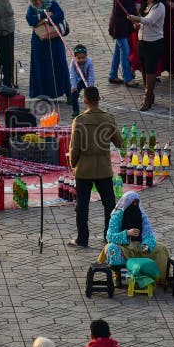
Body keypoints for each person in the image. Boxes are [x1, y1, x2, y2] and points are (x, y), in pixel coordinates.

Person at [67, 86, 122, 247]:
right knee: (110, 204)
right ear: (99, 99)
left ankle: (82, 239)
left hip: (84, 169)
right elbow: (119, 142)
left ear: (85, 101)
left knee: (82, 206)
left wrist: (73, 164)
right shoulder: (109, 118)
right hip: (104, 168)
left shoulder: (80, 120)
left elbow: (74, 148)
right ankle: (109, 236)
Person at [103, 191, 170, 284]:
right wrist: (126, 233)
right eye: (132, 203)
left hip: (140, 246)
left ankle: (161, 278)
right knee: (111, 249)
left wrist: (146, 245)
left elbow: (148, 233)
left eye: (136, 203)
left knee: (161, 248)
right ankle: (118, 275)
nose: (134, 205)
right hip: (124, 246)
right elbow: (109, 236)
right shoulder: (117, 216)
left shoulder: (141, 215)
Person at [26, 0, 71, 100]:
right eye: (35, 0)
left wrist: (42, 20)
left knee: (60, 65)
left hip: (55, 41)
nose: (39, 2)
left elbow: (59, 15)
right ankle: (43, 94)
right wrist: (44, 15)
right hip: (40, 43)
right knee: (42, 67)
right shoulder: (31, 8)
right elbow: (30, 20)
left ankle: (69, 93)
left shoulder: (52, 4)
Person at [127, 0, 165, 111]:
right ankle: (149, 94)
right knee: (144, 70)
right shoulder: (145, 6)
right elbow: (143, 22)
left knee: (151, 71)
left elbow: (149, 21)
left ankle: (148, 98)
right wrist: (137, 24)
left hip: (154, 43)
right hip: (142, 42)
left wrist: (136, 18)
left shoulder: (160, 7)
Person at [108, 0, 139, 87]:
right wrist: (133, 17)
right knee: (125, 51)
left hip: (124, 26)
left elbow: (131, 5)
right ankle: (127, 78)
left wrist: (134, 16)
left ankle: (112, 74)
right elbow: (122, 10)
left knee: (118, 51)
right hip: (119, 26)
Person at [69, 45, 95, 117]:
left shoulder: (89, 62)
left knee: (90, 96)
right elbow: (72, 75)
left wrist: (90, 85)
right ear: (75, 57)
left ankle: (91, 110)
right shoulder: (73, 63)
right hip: (78, 80)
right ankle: (76, 111)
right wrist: (74, 86)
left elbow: (91, 75)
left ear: (86, 56)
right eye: (79, 58)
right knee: (74, 95)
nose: (81, 60)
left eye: (83, 57)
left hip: (87, 80)